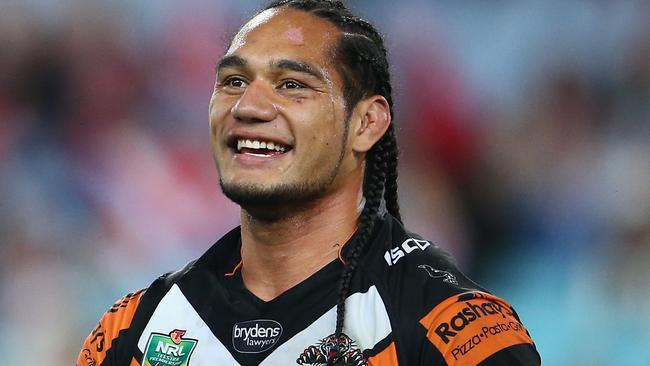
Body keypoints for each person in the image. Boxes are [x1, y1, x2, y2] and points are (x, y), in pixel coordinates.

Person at [77, 1, 541, 365]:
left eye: (292, 85)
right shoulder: (133, 332)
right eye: (234, 82)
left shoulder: (446, 327)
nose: (249, 107)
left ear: (366, 123)